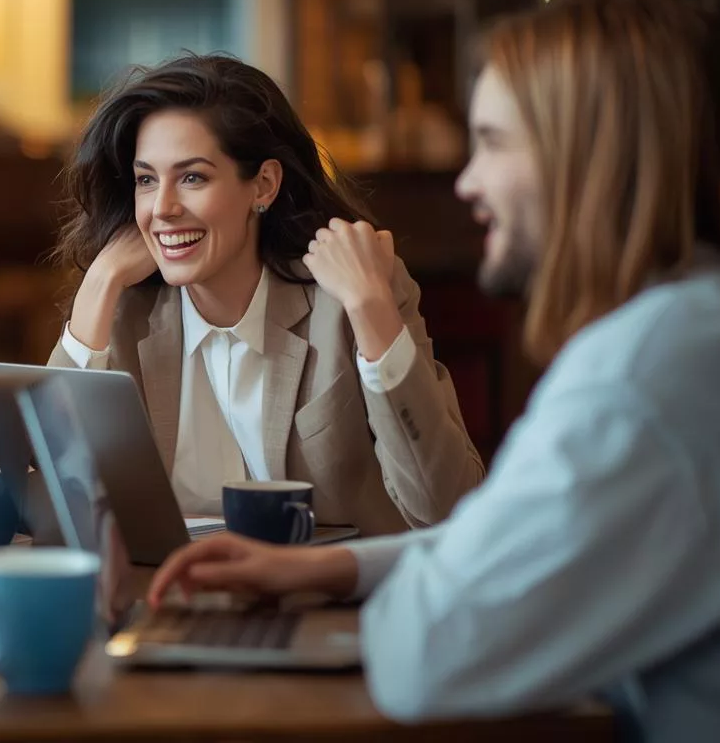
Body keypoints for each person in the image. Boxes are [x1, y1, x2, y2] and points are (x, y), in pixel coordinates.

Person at [148, 0, 720, 740]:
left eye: (493, 142)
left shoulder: (641, 378)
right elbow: (524, 532)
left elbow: (422, 658)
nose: (467, 182)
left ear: (585, 157)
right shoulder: (698, 329)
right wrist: (337, 569)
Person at [50, 54, 483, 535]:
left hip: (341, 601)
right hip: (171, 599)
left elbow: (446, 509)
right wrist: (96, 287)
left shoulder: (349, 299)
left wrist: (370, 309)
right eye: (146, 180)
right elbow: (56, 497)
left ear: (264, 184)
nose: (162, 209)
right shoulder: (125, 306)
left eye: (192, 177)